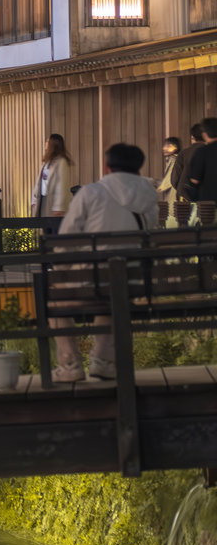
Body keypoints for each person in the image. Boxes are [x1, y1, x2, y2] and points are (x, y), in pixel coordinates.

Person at [53, 143, 158, 382]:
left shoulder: (91, 193)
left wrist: (61, 270)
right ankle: (103, 361)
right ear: (138, 167)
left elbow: (67, 238)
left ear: (108, 166)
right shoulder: (150, 196)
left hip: (94, 280)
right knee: (114, 291)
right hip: (133, 282)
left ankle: (70, 364)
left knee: (57, 295)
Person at [30, 133, 74, 219]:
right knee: (45, 227)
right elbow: (39, 182)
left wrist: (59, 207)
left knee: (53, 228)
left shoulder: (61, 162)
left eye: (47, 141)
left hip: (53, 201)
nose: (46, 143)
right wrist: (34, 200)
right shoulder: (47, 162)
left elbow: (61, 184)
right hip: (43, 199)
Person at [179, 118, 217, 218]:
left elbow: (194, 180)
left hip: (208, 206)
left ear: (204, 134)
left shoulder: (202, 152)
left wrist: (193, 196)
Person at [157, 136, 182, 221]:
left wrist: (156, 187)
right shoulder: (171, 160)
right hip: (172, 194)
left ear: (176, 147)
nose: (164, 148)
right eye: (165, 145)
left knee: (172, 215)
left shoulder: (175, 160)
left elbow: (168, 181)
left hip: (174, 194)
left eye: (168, 146)